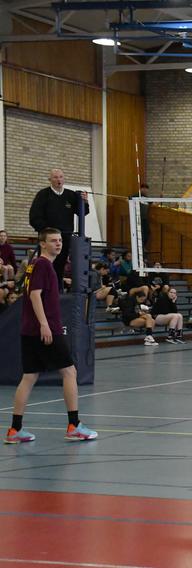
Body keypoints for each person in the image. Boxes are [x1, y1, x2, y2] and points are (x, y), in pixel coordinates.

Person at [5, 227, 97, 444]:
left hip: (30, 330)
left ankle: (15, 430)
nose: (58, 244)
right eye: (53, 241)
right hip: (44, 331)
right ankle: (74, 426)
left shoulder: (37, 265)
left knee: (29, 376)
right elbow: (35, 295)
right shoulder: (43, 265)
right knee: (69, 372)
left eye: (59, 240)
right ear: (42, 243)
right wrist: (45, 325)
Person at [28, 169, 89, 288]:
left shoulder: (71, 195)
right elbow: (34, 218)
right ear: (50, 179)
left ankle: (57, 290)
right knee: (46, 264)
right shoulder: (43, 194)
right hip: (48, 238)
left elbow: (83, 212)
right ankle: (44, 289)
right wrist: (47, 232)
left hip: (65, 237)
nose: (58, 180)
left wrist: (85, 202)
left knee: (60, 265)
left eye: (61, 177)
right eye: (55, 177)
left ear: (64, 179)